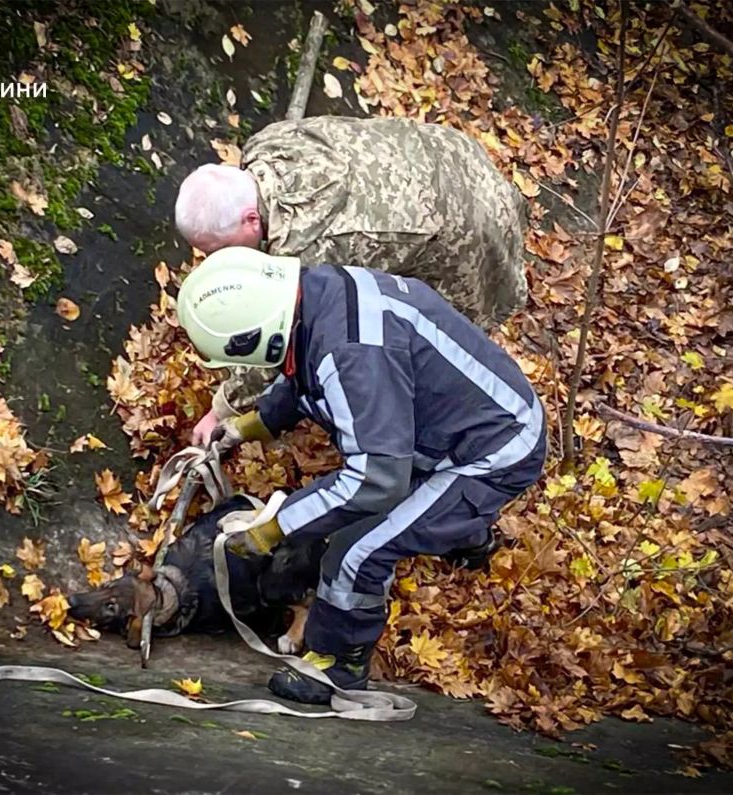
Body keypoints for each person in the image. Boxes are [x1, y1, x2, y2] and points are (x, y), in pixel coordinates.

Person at [176, 247, 546, 705]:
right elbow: (304, 377)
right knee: (404, 508)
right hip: (454, 422)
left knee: (357, 549)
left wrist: (273, 529)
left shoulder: (352, 353)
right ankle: (464, 533)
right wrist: (247, 426)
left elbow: (375, 479)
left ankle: (339, 666)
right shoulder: (317, 297)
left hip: (493, 452)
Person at [174, 116, 528, 445]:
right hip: (451, 151)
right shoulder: (268, 145)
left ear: (252, 220)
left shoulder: (307, 252)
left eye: (218, 250)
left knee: (442, 340)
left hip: (472, 227)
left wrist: (222, 409)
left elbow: (275, 341)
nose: (214, 262)